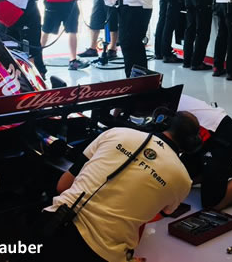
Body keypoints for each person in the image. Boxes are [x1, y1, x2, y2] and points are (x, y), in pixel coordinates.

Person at [43, 112, 199, 262]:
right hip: (103, 253)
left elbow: (63, 186)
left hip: (52, 224)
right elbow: (151, 216)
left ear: (163, 122)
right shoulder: (183, 181)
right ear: (191, 145)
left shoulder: (116, 133)